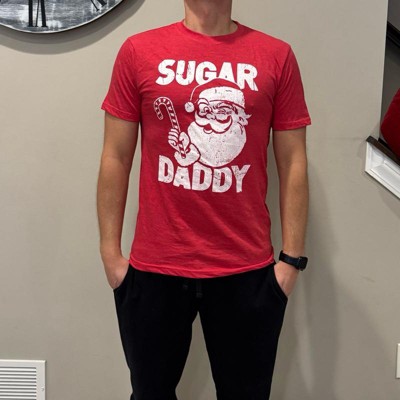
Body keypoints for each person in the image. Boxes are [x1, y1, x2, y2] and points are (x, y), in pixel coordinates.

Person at [96, 0, 311, 399]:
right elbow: (116, 156)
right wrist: (111, 255)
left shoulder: (276, 56)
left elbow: (293, 161)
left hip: (246, 268)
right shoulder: (138, 51)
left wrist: (291, 260)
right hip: (155, 267)